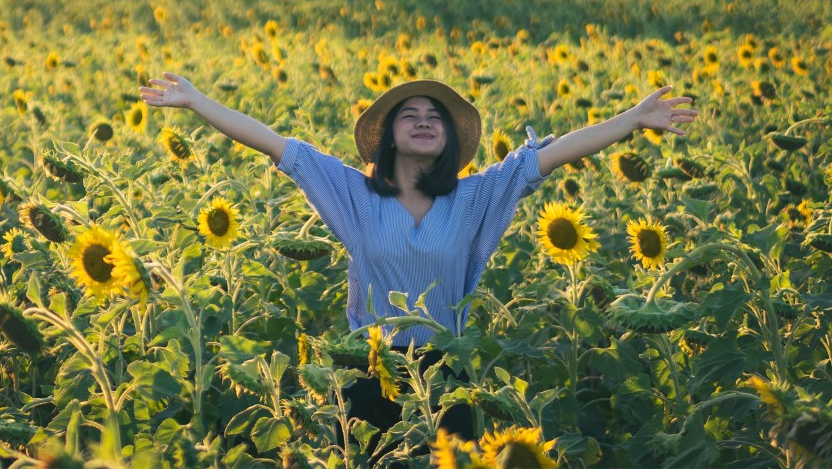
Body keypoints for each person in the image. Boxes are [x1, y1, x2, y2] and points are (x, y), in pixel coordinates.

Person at [138, 72, 697, 442]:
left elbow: (549, 157)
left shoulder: (476, 197)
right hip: (369, 373)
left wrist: (630, 120)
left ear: (449, 137)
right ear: (390, 136)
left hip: (447, 374)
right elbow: (276, 145)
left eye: (436, 115)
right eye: (411, 115)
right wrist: (196, 100)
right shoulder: (354, 195)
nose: (425, 120)